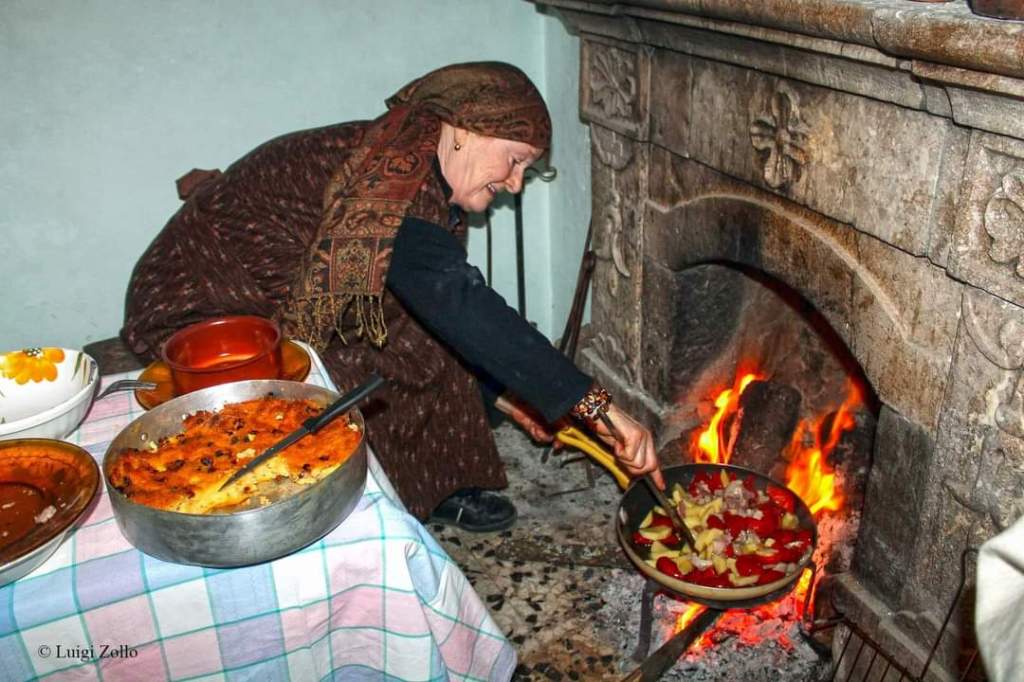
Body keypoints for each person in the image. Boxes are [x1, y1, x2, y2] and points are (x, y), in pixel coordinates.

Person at [122, 61, 663, 531]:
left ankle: (438, 489)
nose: (516, 183)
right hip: (207, 301)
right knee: (342, 369)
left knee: (422, 335)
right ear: (466, 130)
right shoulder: (393, 179)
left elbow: (440, 303)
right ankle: (354, 520)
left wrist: (509, 395)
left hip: (283, 288)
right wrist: (600, 408)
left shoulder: (415, 156)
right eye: (515, 160)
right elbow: (460, 303)